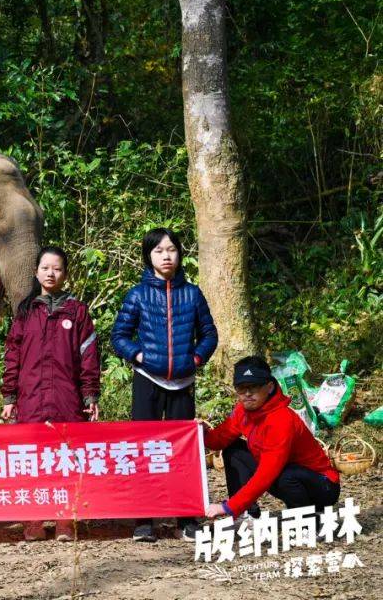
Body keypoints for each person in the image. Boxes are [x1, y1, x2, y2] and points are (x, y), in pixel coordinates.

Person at [110, 227, 218, 542]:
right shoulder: (138, 295)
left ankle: (188, 520)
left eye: (171, 249)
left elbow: (209, 334)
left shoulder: (192, 294)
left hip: (183, 382)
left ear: (180, 254)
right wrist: (139, 356)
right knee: (142, 450)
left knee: (183, 452)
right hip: (147, 380)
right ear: (149, 256)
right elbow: (119, 336)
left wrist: (196, 359)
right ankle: (144, 521)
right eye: (158, 251)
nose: (166, 256)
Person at [0, 246, 99, 542]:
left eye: (56, 268)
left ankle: (65, 520)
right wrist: (9, 397)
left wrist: (90, 395)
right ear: (36, 273)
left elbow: (89, 356)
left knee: (67, 459)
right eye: (45, 268)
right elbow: (12, 355)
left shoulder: (78, 311)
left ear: (65, 273)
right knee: (32, 460)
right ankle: (33, 520)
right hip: (31, 399)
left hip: (67, 399)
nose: (50, 273)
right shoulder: (26, 311)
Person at [204, 356, 340, 524]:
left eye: (253, 387)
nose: (247, 394)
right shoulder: (242, 410)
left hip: (323, 485)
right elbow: (217, 440)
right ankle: (247, 514)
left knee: (285, 475)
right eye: (241, 388)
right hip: (284, 473)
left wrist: (228, 507)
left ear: (269, 387)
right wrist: (200, 432)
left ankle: (309, 521)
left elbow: (267, 473)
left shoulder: (281, 419)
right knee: (234, 449)